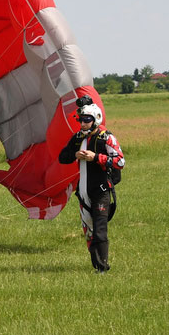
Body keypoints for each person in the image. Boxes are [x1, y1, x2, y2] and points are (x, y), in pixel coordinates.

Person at [58, 97, 125, 273]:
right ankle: (96, 265)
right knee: (89, 230)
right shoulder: (78, 138)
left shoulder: (107, 137)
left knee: (100, 230)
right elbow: (62, 158)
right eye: (81, 119)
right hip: (83, 191)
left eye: (87, 120)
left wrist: (95, 157)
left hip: (101, 190)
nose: (83, 123)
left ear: (95, 119)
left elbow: (120, 162)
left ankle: (102, 269)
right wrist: (75, 154)